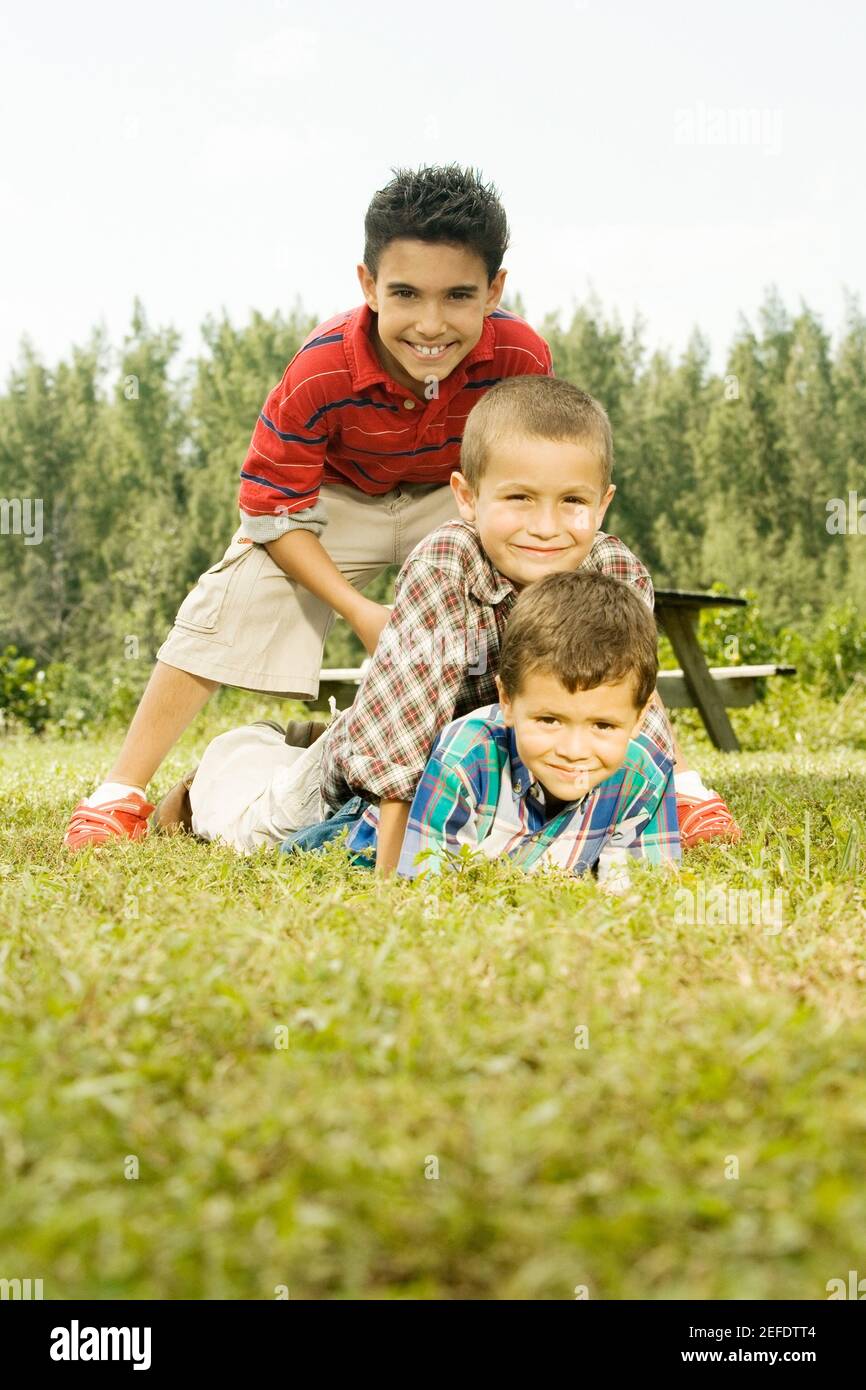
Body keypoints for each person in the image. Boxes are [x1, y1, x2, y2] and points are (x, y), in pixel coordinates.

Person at [64, 164, 552, 850]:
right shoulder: (322, 367)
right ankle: (119, 793)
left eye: (459, 296)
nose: (431, 324)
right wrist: (360, 612)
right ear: (367, 285)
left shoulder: (521, 355)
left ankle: (675, 781)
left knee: (564, 586)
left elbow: (534, 479)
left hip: (454, 497)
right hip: (334, 502)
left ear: (495, 291)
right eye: (406, 293)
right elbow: (271, 511)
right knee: (240, 591)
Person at [175, 376, 738, 861]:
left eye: (572, 502)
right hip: (387, 764)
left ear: (603, 503)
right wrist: (396, 875)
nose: (545, 526)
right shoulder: (446, 566)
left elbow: (630, 700)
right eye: (518, 498)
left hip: (503, 768)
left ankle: (304, 737)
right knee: (259, 829)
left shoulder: (616, 570)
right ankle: (226, 769)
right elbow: (401, 742)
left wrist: (683, 794)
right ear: (467, 498)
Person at [283, 570, 681, 888]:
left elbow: (640, 888)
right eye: (548, 720)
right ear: (507, 701)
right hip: (372, 833)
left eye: (603, 725)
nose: (574, 749)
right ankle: (282, 745)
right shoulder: (467, 755)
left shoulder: (645, 773)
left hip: (510, 852)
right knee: (285, 842)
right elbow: (428, 886)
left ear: (641, 718)